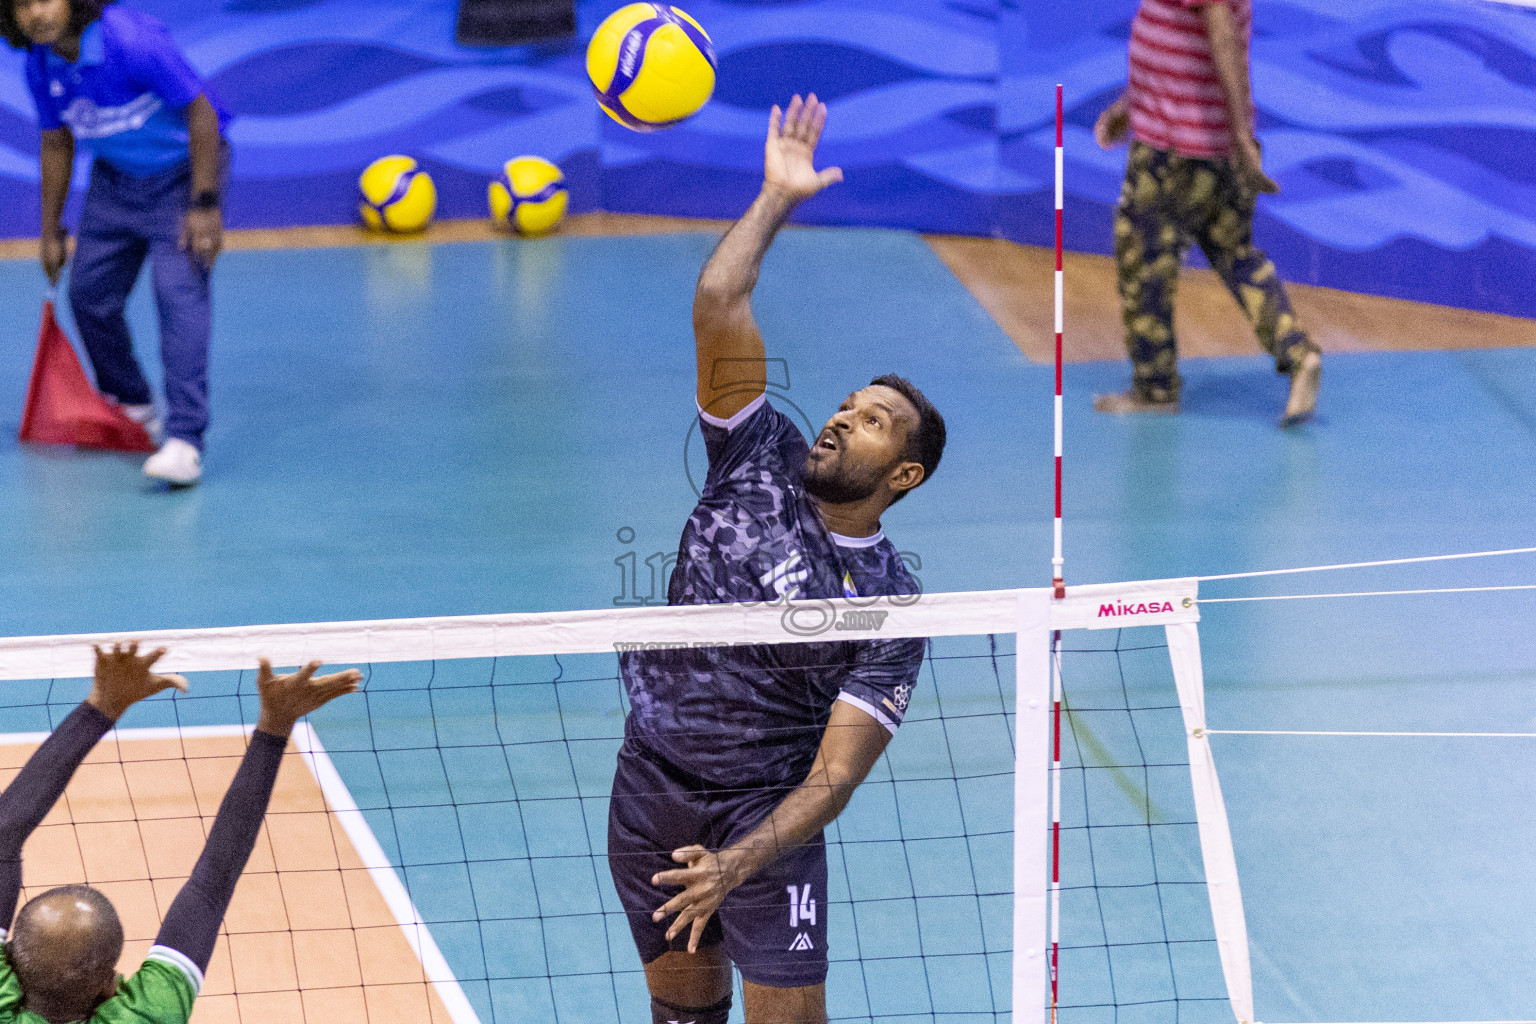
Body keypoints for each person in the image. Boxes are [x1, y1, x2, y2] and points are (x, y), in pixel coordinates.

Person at [608, 94, 946, 1024]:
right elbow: (719, 299)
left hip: (766, 820)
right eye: (846, 403)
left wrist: (737, 863)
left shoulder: (890, 604)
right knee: (682, 1014)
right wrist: (775, 197)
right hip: (654, 786)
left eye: (873, 419)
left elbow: (835, 776)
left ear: (904, 473)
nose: (842, 415)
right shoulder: (757, 451)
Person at [0, 642, 359, 1024]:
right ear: (111, 984)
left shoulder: (153, 1014)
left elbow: (213, 884)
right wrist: (275, 724)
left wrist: (101, 706)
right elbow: (211, 883)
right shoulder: (148, 1016)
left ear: (12, 965)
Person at [4, 0, 231, 485]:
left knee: (178, 295)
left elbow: (202, 111)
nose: (38, 14)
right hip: (116, 184)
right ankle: (134, 403)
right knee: (89, 294)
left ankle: (186, 440)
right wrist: (50, 231)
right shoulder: (40, 65)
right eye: (23, 5)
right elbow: (56, 141)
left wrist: (205, 202)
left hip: (182, 177)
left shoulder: (130, 40)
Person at [1092, 0, 1322, 427]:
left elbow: (1220, 34)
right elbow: (1181, 43)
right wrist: (1130, 105)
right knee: (1236, 256)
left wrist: (1242, 134)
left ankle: (1154, 387)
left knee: (1144, 260)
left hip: (1174, 150)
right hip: (1213, 148)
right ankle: (1297, 352)